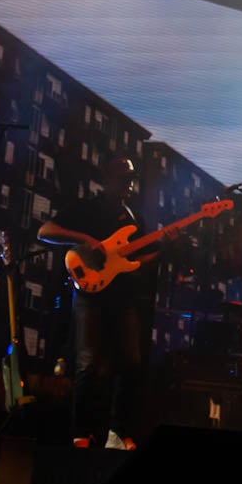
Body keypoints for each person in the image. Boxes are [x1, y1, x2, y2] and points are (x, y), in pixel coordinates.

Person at [37, 154, 153, 450]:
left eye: (131, 180)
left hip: (123, 297)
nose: (128, 185)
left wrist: (168, 245)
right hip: (90, 295)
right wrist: (86, 240)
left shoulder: (133, 217)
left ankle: (118, 432)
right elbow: (45, 231)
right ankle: (81, 434)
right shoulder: (87, 208)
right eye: (123, 179)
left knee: (131, 361)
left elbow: (138, 258)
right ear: (108, 179)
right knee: (87, 364)